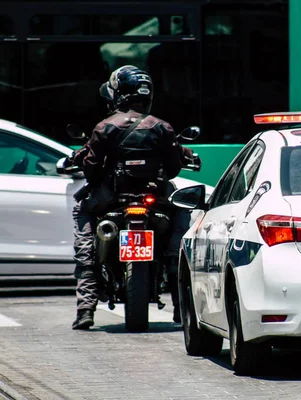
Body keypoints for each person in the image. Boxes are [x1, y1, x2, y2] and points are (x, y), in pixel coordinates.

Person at [69, 65, 195, 330]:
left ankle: (85, 309)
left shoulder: (104, 127)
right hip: (155, 198)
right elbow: (173, 168)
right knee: (183, 210)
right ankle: (180, 300)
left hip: (112, 198)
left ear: (118, 94)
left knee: (82, 213)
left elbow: (91, 169)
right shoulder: (161, 127)